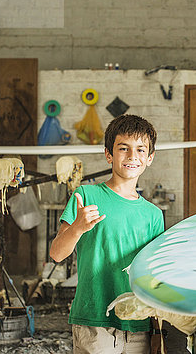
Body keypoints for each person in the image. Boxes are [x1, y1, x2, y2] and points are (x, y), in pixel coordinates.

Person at [50, 114, 165, 354]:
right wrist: (78, 227)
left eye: (141, 150)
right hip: (94, 320)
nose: (133, 156)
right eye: (123, 148)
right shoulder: (86, 196)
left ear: (150, 158)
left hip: (138, 324)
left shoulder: (154, 214)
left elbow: (154, 275)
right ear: (108, 154)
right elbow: (57, 254)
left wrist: (157, 328)